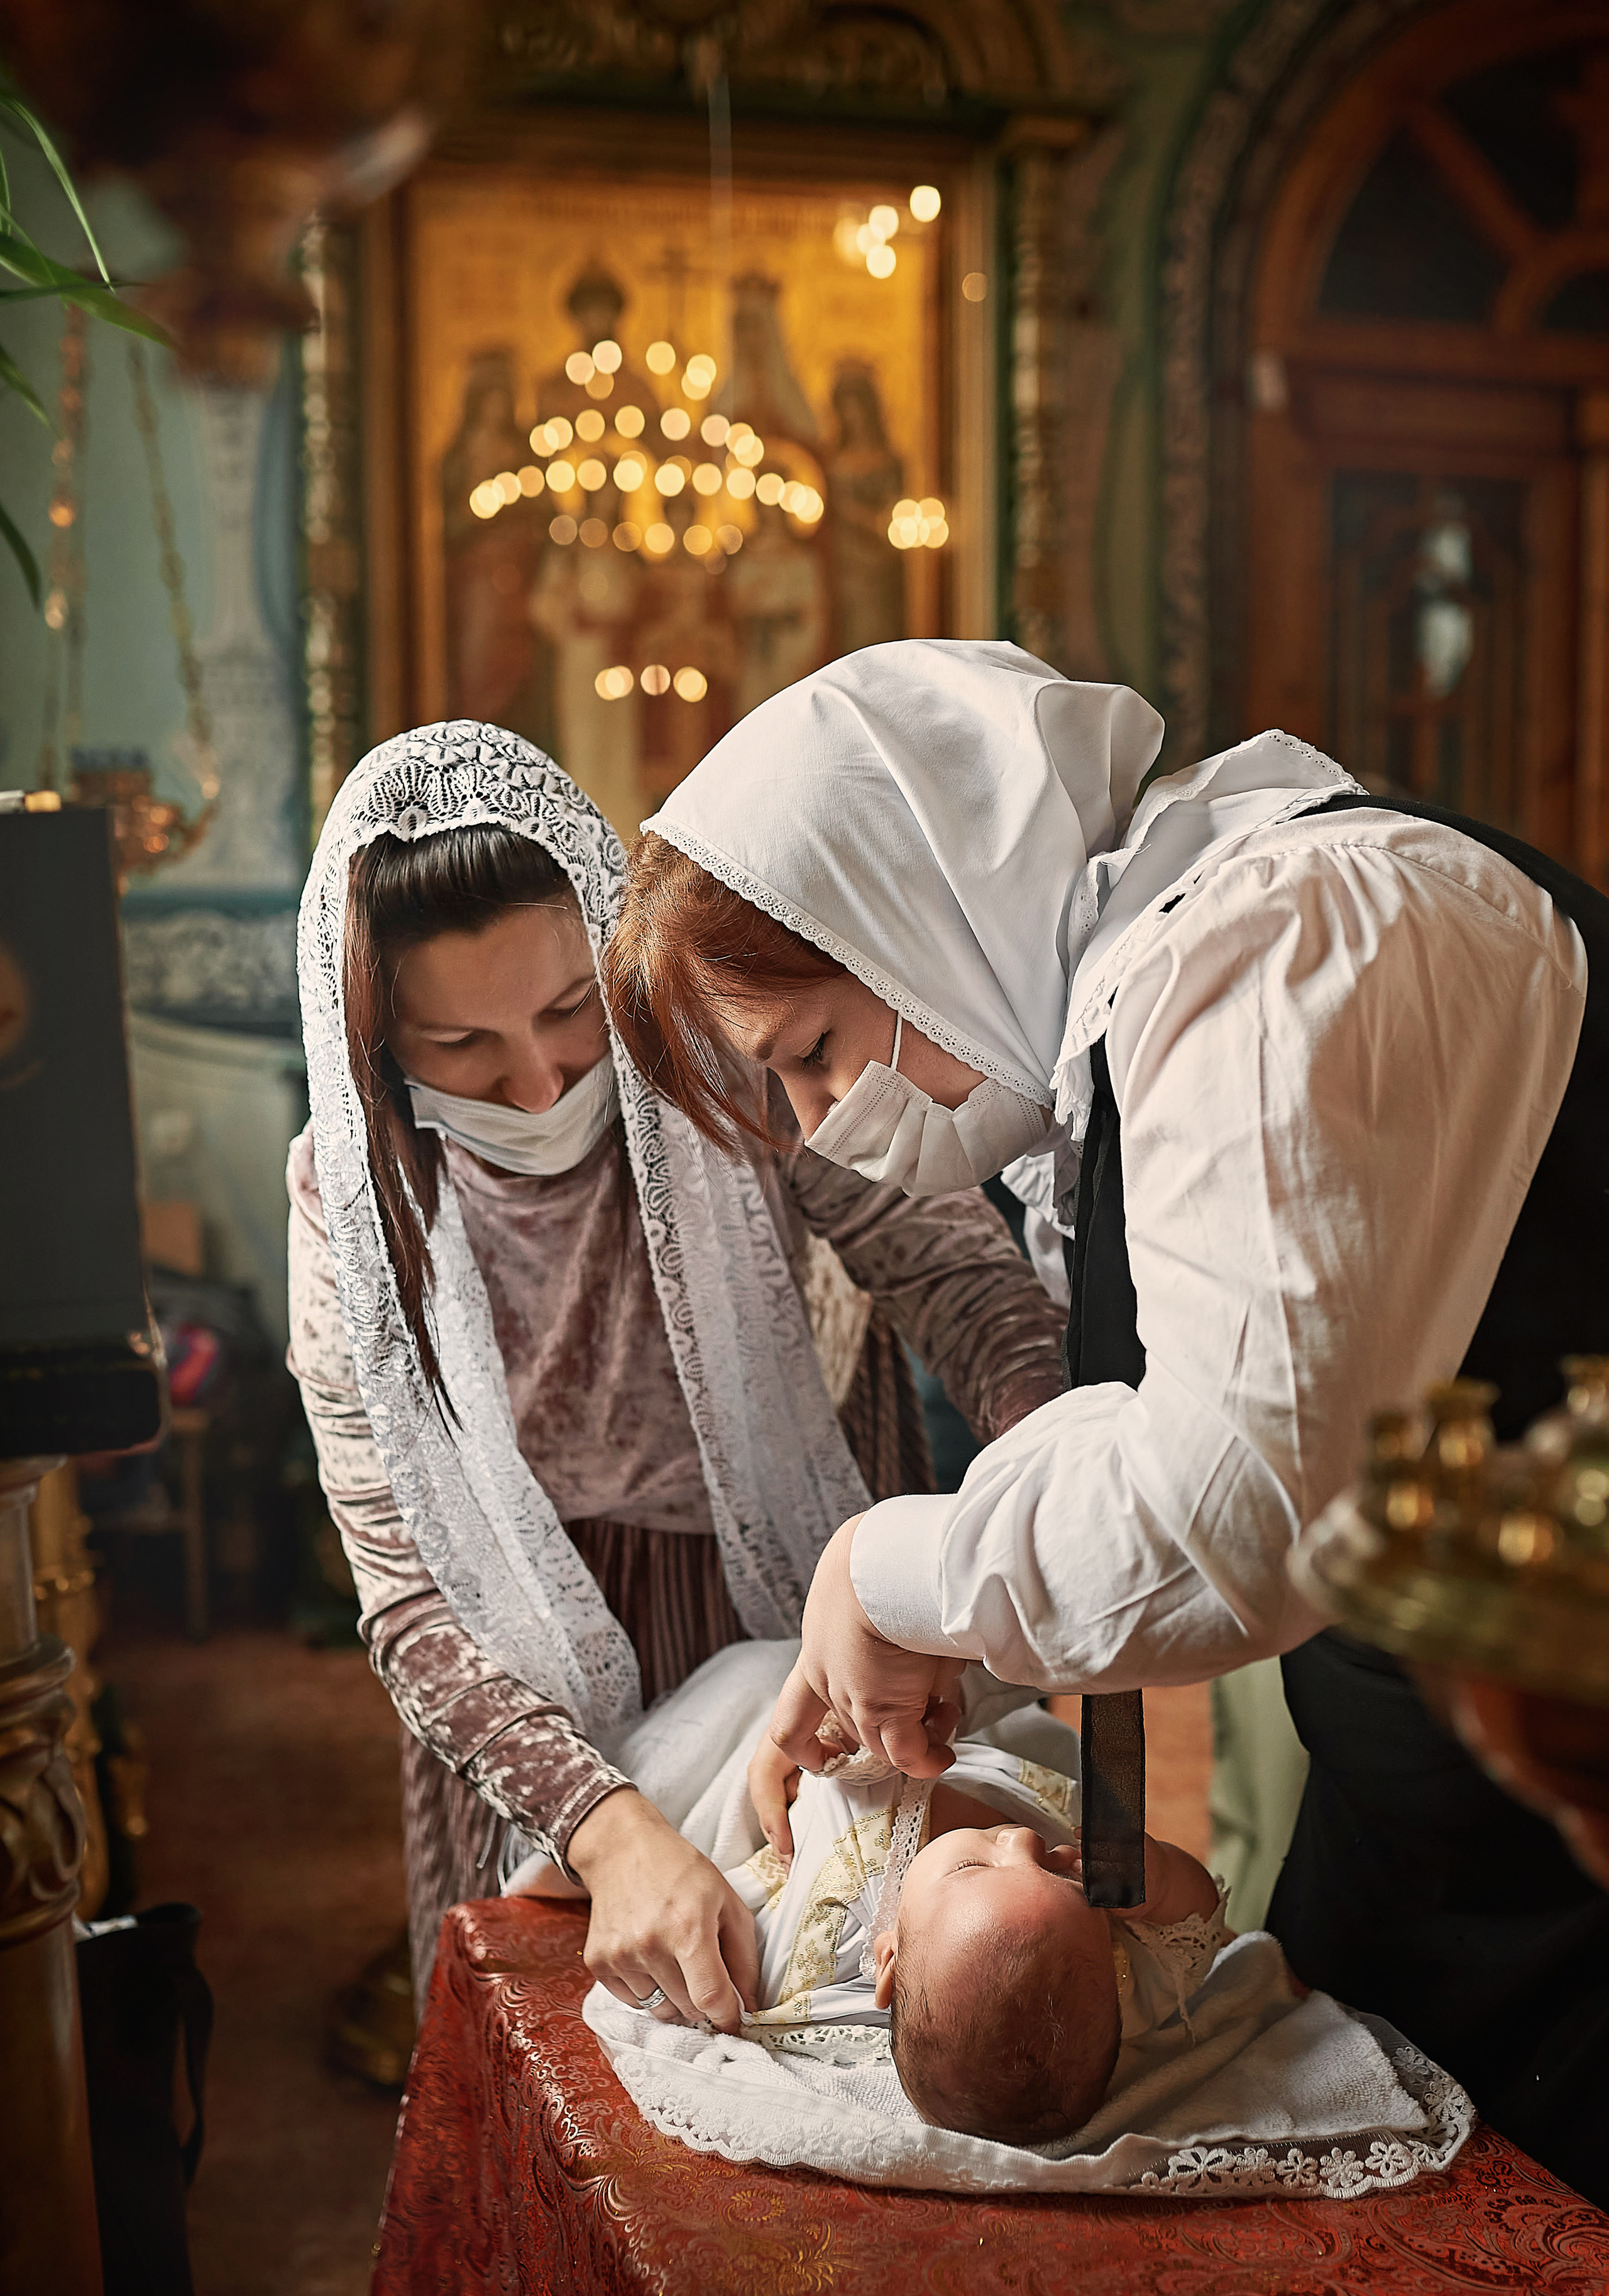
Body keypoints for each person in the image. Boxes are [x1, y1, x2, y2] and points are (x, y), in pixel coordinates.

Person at [602, 637, 1609, 2204]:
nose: (829, 1134)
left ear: (917, 895)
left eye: (808, 1056)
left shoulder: (1286, 942)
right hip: (1438, 1764)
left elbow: (1229, 1503)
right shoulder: (1135, 1005)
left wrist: (886, 1564)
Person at [288, 716, 1067, 2028]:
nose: (535, 1084)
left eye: (562, 1012)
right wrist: (601, 1829)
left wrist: (1055, 1475)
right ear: (377, 1051)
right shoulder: (351, 1198)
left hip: (797, 1595)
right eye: (462, 1051)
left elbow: (958, 1282)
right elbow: (412, 1599)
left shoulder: (729, 1051)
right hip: (525, 1662)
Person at [737, 1729, 1222, 2145]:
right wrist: (1158, 1884)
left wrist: (836, 1743)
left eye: (971, 1868)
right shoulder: (1118, 1983)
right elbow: (1195, 1931)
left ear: (888, 1958)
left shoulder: (827, 1933)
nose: (1025, 1840)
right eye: (1063, 1879)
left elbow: (744, 1938)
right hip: (1001, 1746)